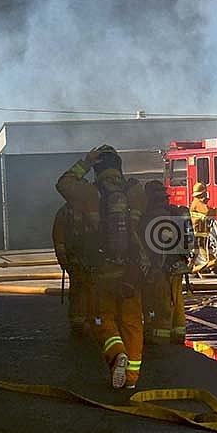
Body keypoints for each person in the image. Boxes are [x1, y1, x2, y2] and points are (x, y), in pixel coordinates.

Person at [56, 145, 147, 389]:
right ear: (119, 167)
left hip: (101, 270)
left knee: (102, 319)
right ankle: (131, 379)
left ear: (98, 170)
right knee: (132, 323)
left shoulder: (88, 193)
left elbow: (62, 184)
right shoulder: (135, 191)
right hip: (131, 270)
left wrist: (85, 162)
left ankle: (117, 353)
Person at [141, 180, 189, 347]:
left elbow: (153, 246)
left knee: (162, 302)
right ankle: (178, 334)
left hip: (162, 267)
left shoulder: (152, 216)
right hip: (179, 264)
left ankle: (161, 337)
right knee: (177, 301)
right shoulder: (176, 212)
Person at [51, 201, 93, 337]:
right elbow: (59, 238)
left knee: (87, 289)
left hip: (86, 259)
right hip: (76, 259)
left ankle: (87, 320)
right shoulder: (65, 213)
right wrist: (62, 258)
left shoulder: (85, 211)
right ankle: (79, 321)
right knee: (79, 288)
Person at [189, 182, 217, 267]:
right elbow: (207, 212)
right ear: (203, 193)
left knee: (199, 250)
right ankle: (213, 265)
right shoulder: (198, 203)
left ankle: (191, 265)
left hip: (199, 231)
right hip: (198, 232)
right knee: (204, 249)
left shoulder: (197, 202)